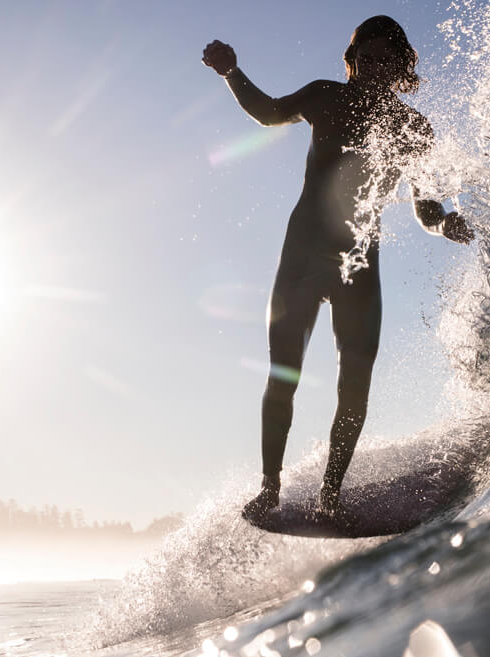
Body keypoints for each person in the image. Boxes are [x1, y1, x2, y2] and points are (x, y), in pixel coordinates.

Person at [202, 15, 473, 521]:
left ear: (400, 68)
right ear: (352, 62)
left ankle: (331, 495)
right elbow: (268, 113)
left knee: (354, 386)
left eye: (385, 61)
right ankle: (269, 489)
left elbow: (426, 209)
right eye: (365, 59)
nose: (373, 69)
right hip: (302, 258)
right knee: (283, 375)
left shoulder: (413, 130)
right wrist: (231, 73)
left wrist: (445, 224)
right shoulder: (325, 96)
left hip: (358, 265)